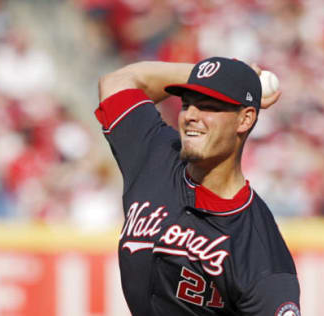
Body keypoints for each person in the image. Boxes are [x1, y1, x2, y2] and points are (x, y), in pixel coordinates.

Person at [95, 56, 301, 316]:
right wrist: (209, 74)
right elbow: (118, 81)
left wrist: (228, 79)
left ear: (245, 119)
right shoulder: (155, 152)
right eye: (187, 104)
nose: (191, 116)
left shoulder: (260, 252)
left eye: (208, 106)